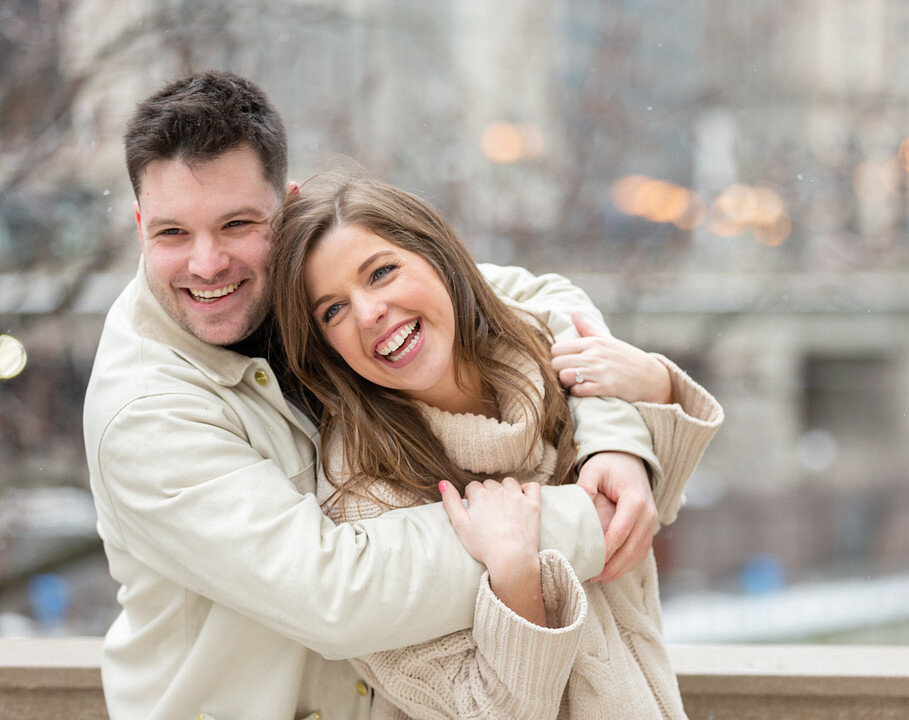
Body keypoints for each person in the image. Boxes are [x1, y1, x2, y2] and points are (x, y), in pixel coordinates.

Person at [82, 70, 678, 720]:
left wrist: (615, 439)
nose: (206, 263)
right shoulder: (143, 412)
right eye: (172, 233)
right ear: (140, 224)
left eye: (236, 223)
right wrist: (582, 519)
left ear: (287, 209)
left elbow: (536, 300)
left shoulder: (319, 289)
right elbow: (336, 595)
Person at [272, 173, 723, 719]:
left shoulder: (551, 356)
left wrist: (651, 389)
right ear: (325, 347)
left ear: (437, 256)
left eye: (382, 272)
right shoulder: (361, 494)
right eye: (333, 311)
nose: (368, 313)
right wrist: (514, 575)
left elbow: (649, 513)